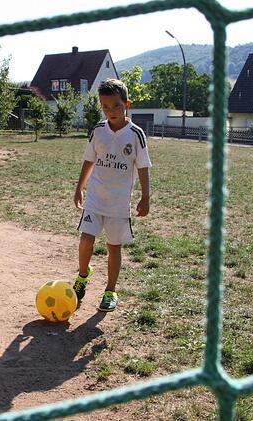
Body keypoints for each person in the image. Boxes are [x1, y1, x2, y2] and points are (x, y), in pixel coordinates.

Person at [73, 78, 152, 312]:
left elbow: (143, 167)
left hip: (118, 204)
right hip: (95, 199)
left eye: (116, 106)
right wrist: (79, 188)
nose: (111, 112)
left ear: (126, 104)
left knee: (113, 247)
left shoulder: (136, 134)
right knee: (86, 239)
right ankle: (82, 277)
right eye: (105, 107)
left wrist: (145, 196)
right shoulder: (98, 131)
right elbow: (89, 160)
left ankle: (110, 290)